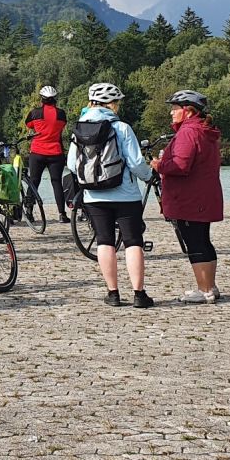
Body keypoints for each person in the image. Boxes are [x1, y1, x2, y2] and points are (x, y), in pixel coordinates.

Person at [67, 82, 156, 308]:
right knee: (133, 242)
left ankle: (113, 293)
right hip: (125, 194)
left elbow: (70, 163)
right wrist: (149, 175)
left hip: (94, 196)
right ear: (113, 104)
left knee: (105, 242)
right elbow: (136, 163)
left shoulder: (79, 128)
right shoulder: (122, 127)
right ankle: (139, 294)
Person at [151, 90, 224, 304]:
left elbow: (180, 164)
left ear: (188, 111)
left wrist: (159, 165)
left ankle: (204, 290)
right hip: (204, 194)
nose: (171, 113)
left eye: (175, 108)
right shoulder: (204, 130)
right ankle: (210, 285)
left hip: (190, 197)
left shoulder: (188, 132)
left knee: (194, 243)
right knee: (203, 240)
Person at [24, 84, 70, 222]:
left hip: (37, 151)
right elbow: (61, 127)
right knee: (57, 183)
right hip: (56, 152)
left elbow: (29, 125)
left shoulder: (34, 113)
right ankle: (62, 214)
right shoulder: (61, 114)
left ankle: (29, 212)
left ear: (42, 99)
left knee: (34, 181)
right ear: (55, 98)